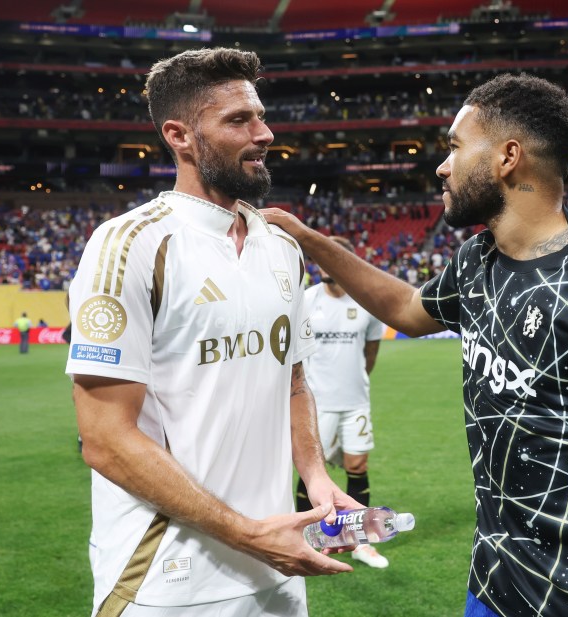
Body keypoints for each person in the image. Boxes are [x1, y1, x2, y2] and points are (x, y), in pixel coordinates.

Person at [263, 73, 568, 617]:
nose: (442, 166)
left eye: (454, 147)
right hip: (493, 583)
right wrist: (310, 241)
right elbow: (406, 309)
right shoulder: (478, 259)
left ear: (507, 156)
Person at [65, 47, 360, 617]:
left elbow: (292, 378)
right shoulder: (130, 245)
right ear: (179, 135)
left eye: (261, 115)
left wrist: (316, 477)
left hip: (277, 561)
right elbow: (104, 439)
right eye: (238, 120)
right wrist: (245, 532)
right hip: (164, 578)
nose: (265, 132)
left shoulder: (281, 246)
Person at [296, 236, 388, 569]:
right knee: (311, 473)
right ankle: (303, 536)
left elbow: (371, 353)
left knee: (358, 467)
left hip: (355, 402)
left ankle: (360, 541)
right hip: (317, 404)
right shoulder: (305, 300)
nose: (322, 263)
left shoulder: (367, 303)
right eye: (319, 258)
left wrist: (353, 381)